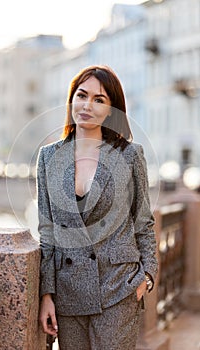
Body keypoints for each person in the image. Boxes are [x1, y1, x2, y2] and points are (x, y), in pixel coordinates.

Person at [37, 65, 158, 350]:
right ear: (72, 100)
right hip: (68, 292)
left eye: (99, 99)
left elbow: (144, 221)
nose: (87, 105)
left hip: (118, 287)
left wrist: (147, 276)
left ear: (112, 110)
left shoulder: (129, 155)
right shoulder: (48, 157)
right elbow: (47, 231)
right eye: (81, 95)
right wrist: (46, 294)